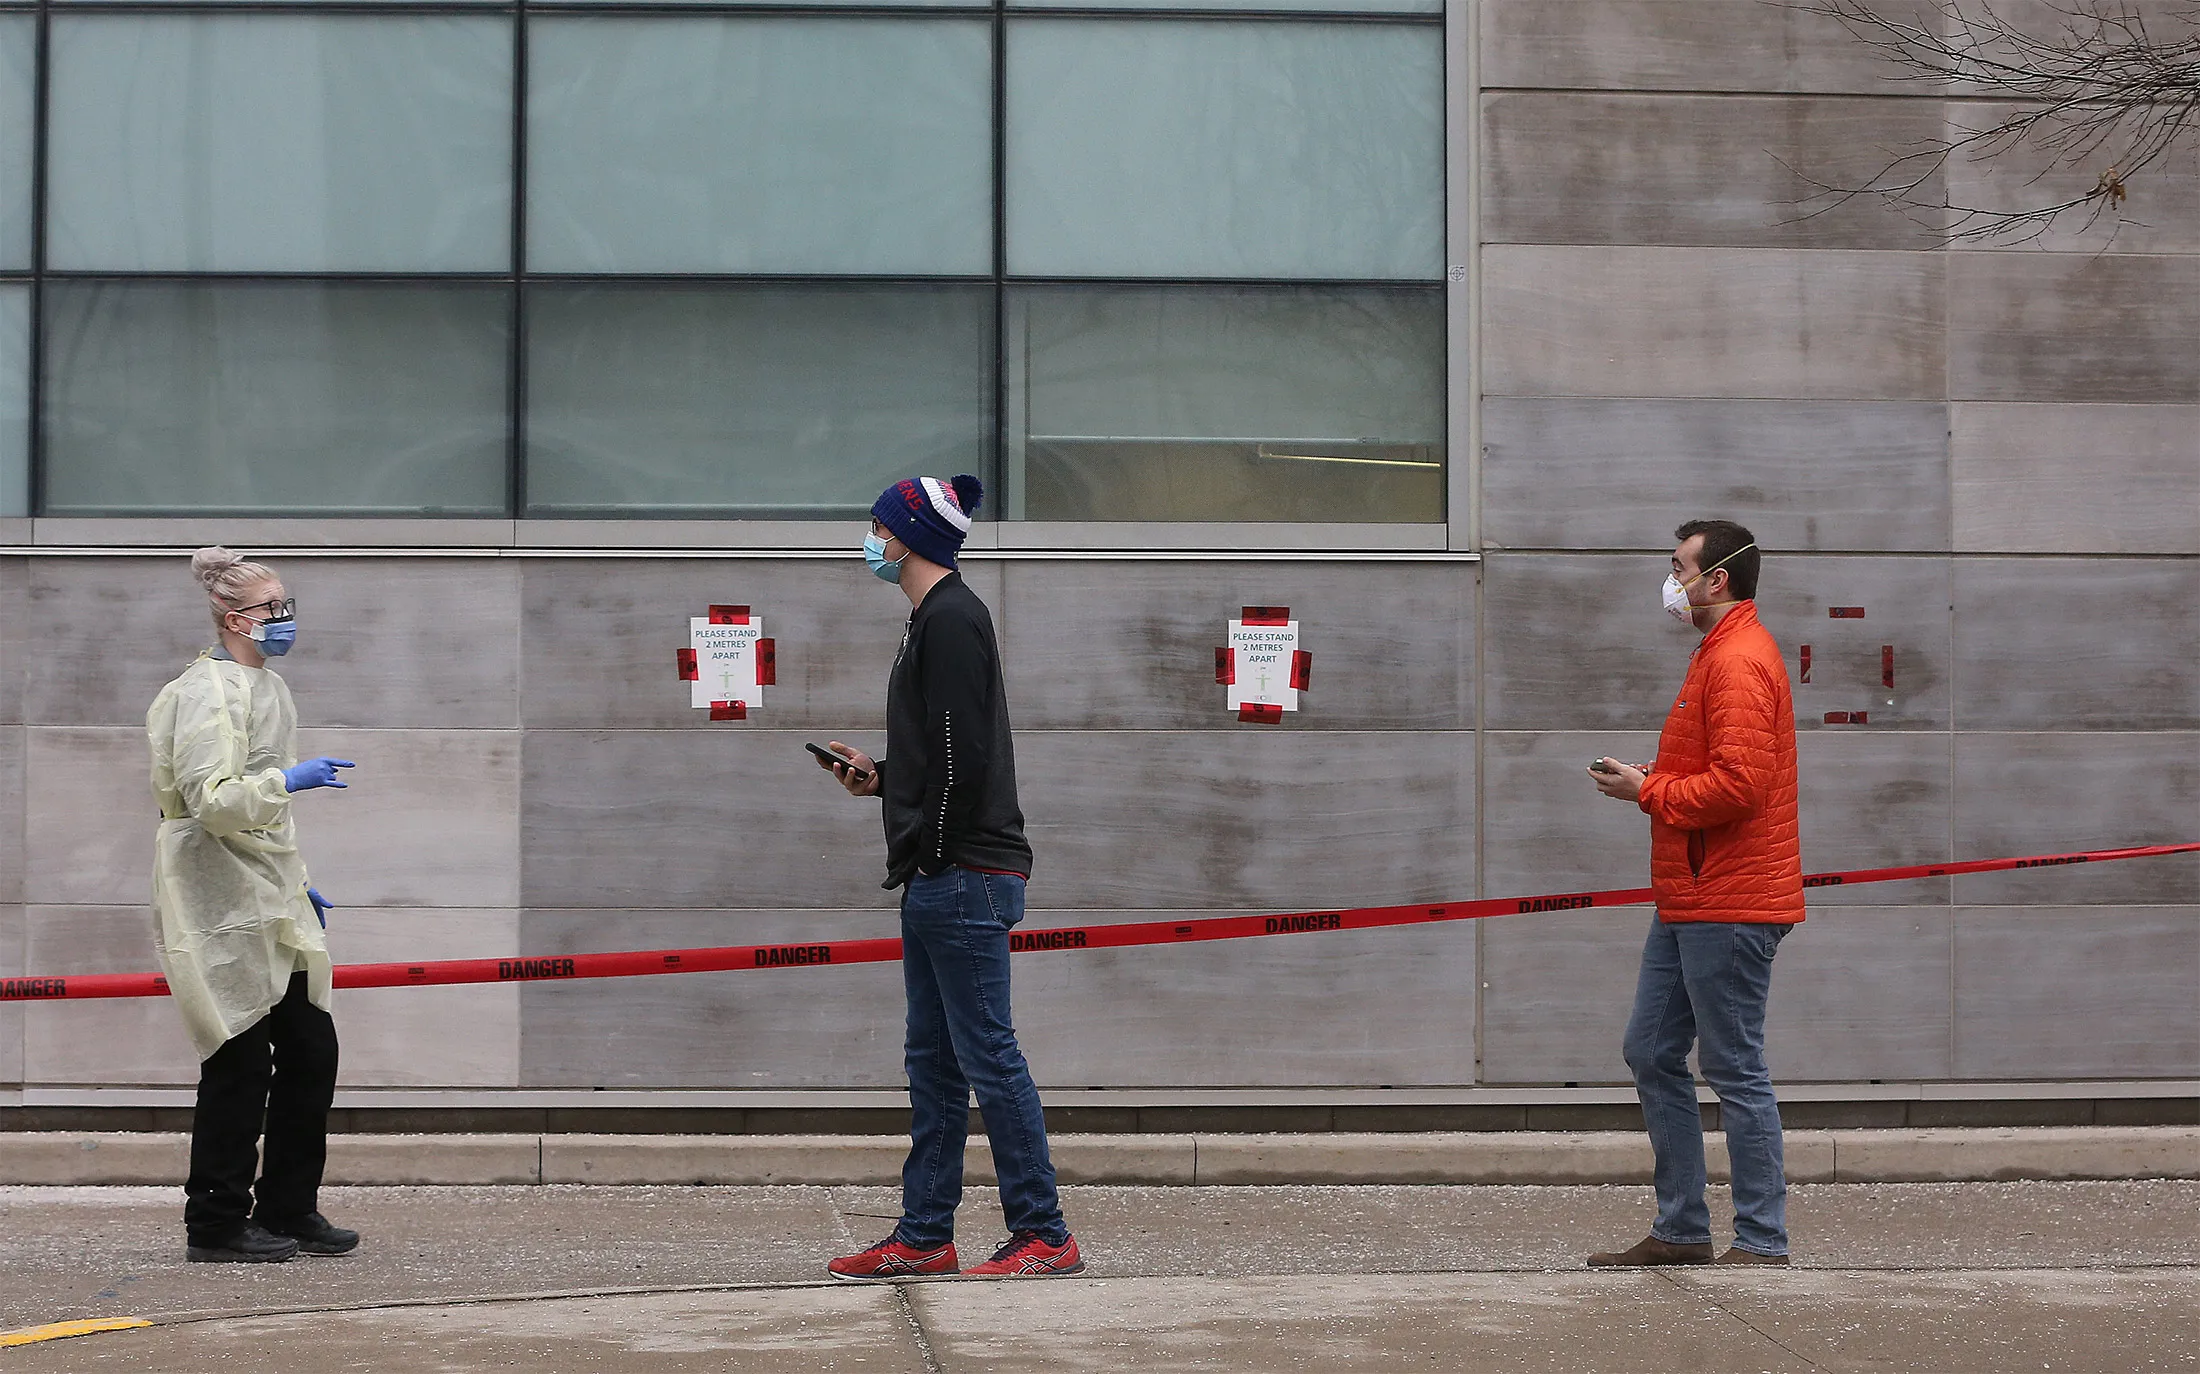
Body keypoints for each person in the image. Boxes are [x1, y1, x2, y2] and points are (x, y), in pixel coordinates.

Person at [814, 475, 1082, 1281]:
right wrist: (885, 779)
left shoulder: (955, 619)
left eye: (877, 527)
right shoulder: (931, 621)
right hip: (944, 874)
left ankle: (1045, 1232)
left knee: (988, 1056)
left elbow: (963, 763)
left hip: (961, 874)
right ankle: (924, 1234)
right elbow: (941, 758)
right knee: (933, 1061)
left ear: (907, 536)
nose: (869, 540)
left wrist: (931, 852)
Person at [1585, 519, 1803, 1268]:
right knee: (1650, 1049)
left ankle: (1761, 1239)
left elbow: (1741, 788)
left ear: (1719, 580)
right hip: (1694, 895)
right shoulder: (1718, 653)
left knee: (1735, 1067)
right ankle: (1681, 1229)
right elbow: (1720, 769)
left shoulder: (1738, 659)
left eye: (1680, 567)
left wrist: (1648, 791)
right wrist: (1659, 778)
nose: (1670, 580)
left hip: (1731, 899)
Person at [148, 548, 360, 1264]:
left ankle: (289, 1208)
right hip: (215, 889)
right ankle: (213, 1225)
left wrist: (295, 881)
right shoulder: (206, 692)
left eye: (286, 604)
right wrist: (288, 781)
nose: (285, 619)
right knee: (238, 1058)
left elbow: (262, 813)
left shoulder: (270, 690)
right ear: (235, 618)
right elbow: (211, 802)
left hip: (268, 888)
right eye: (273, 608)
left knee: (310, 1051)